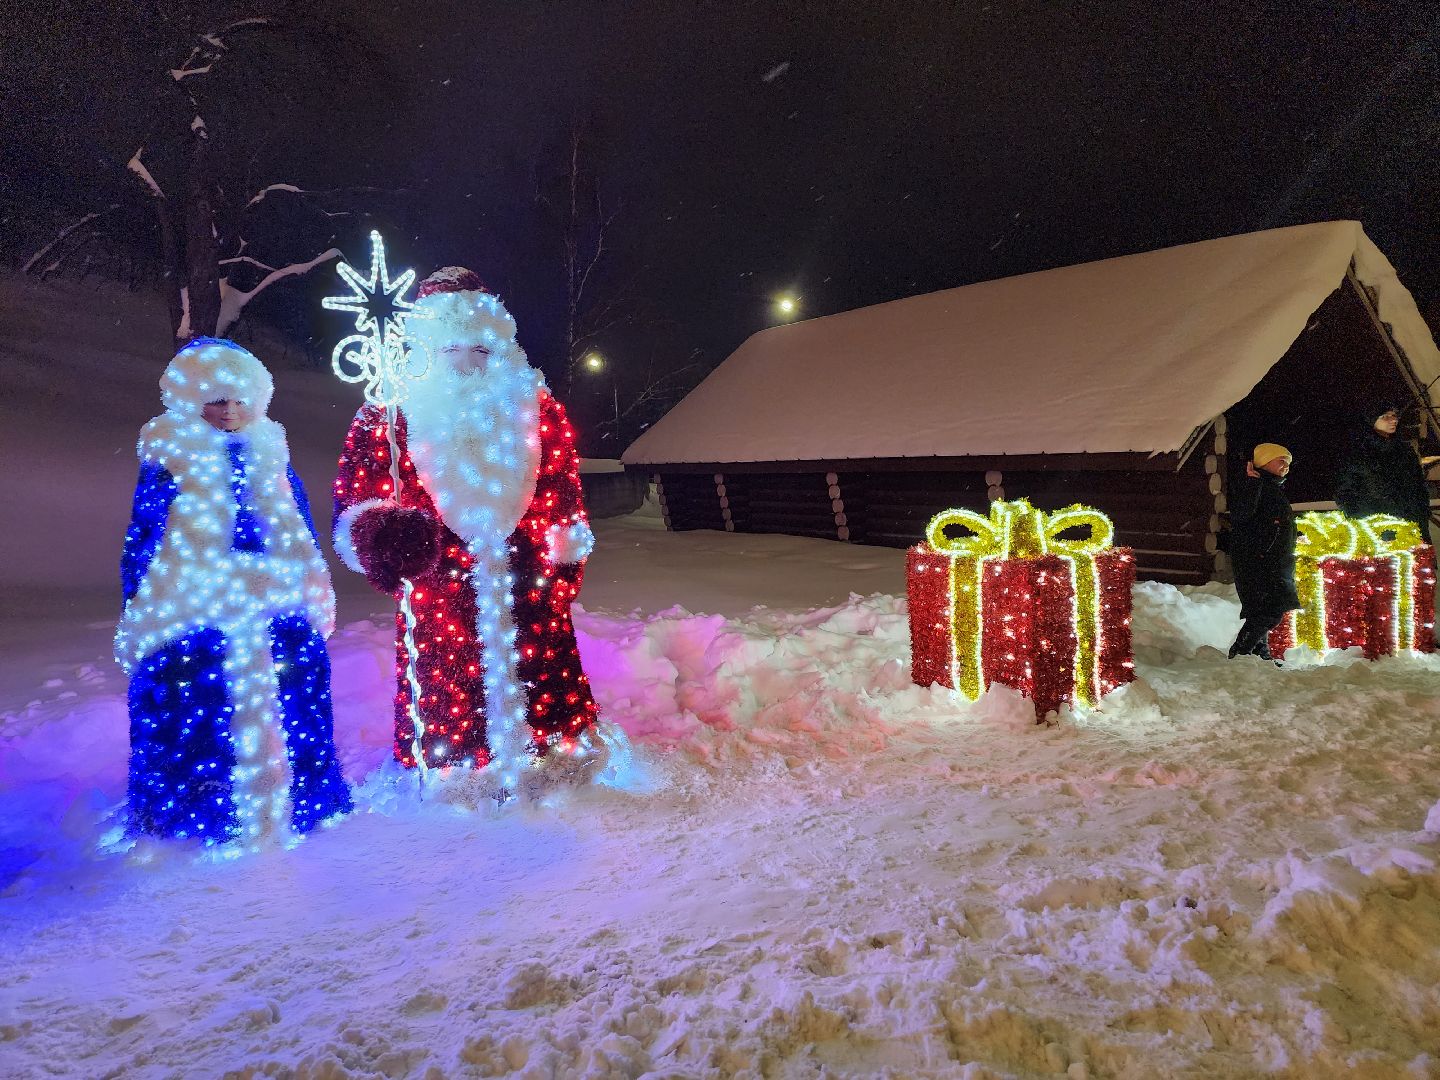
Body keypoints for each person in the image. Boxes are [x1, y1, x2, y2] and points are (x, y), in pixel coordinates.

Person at [332, 268, 602, 784]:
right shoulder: (387, 413)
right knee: (451, 681)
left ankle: (552, 755)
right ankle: (454, 769)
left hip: (529, 575)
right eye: (450, 350)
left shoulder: (535, 405)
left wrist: (565, 554)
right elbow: (357, 495)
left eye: (480, 350)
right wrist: (380, 534)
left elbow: (563, 483)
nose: (466, 363)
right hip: (437, 580)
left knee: (541, 671)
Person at [116, 338, 351, 847]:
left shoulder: (271, 452)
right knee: (199, 700)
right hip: (193, 604)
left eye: (239, 399)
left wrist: (311, 582)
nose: (229, 412)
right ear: (191, 400)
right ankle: (204, 808)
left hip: (278, 597)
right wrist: (140, 603)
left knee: (297, 690)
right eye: (217, 400)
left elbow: (299, 524)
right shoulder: (171, 455)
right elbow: (145, 534)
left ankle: (302, 799)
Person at [1227, 443, 1299, 661]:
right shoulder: (1254, 484)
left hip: (1271, 560)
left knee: (1265, 609)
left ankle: (1259, 654)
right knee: (1268, 610)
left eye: (1288, 462)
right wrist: (1251, 483)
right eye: (1281, 461)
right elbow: (1241, 515)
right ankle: (1240, 651)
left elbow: (1271, 523)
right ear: (1264, 462)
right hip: (1259, 561)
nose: (1285, 466)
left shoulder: (1271, 487)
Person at [1334, 401, 1432, 536]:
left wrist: (1422, 512)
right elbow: (1345, 492)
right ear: (1371, 421)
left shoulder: (1405, 451)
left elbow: (1419, 485)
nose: (1394, 420)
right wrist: (1367, 521)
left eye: (1394, 415)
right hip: (1378, 529)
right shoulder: (1357, 452)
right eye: (1385, 416)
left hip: (1414, 525)